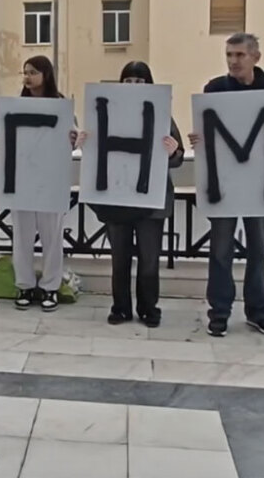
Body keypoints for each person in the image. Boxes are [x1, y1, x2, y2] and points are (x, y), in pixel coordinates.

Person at [188, 33, 264, 338]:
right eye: (229, 55)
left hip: (259, 183)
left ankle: (258, 311)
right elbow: (208, 133)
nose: (233, 61)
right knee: (220, 250)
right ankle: (219, 312)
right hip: (225, 183)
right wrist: (198, 138)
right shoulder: (214, 89)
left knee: (258, 249)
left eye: (239, 55)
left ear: (255, 57)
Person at [83, 62, 184, 328]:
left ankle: (149, 308)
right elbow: (96, 148)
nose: (133, 86)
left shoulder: (161, 112)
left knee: (149, 260)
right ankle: (121, 307)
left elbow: (177, 158)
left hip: (152, 201)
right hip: (118, 198)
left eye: (139, 81)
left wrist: (173, 151)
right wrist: (84, 141)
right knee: (120, 259)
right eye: (128, 80)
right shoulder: (108, 110)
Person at [0, 56, 75, 313]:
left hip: (50, 180)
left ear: (45, 74)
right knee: (22, 236)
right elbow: (5, 138)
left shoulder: (60, 105)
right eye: (24, 72)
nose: (27, 77)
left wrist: (73, 139)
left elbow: (71, 141)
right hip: (21, 180)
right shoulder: (16, 105)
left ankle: (50, 286)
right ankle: (24, 284)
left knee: (52, 237)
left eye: (33, 72)